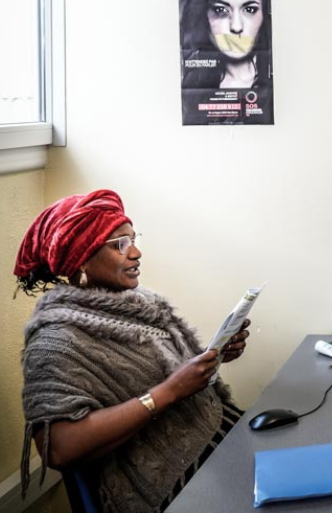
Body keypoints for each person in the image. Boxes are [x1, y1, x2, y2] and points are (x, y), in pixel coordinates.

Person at [15, 190, 251, 513]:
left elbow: (171, 373)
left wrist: (215, 356)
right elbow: (57, 448)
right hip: (176, 486)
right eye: (120, 245)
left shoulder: (142, 305)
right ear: (81, 259)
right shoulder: (55, 341)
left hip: (222, 439)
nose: (136, 252)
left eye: (133, 240)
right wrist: (168, 392)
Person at [179, 0, 273, 90]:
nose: (236, 27)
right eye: (221, 10)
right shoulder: (190, 85)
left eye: (250, 10)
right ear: (203, 16)